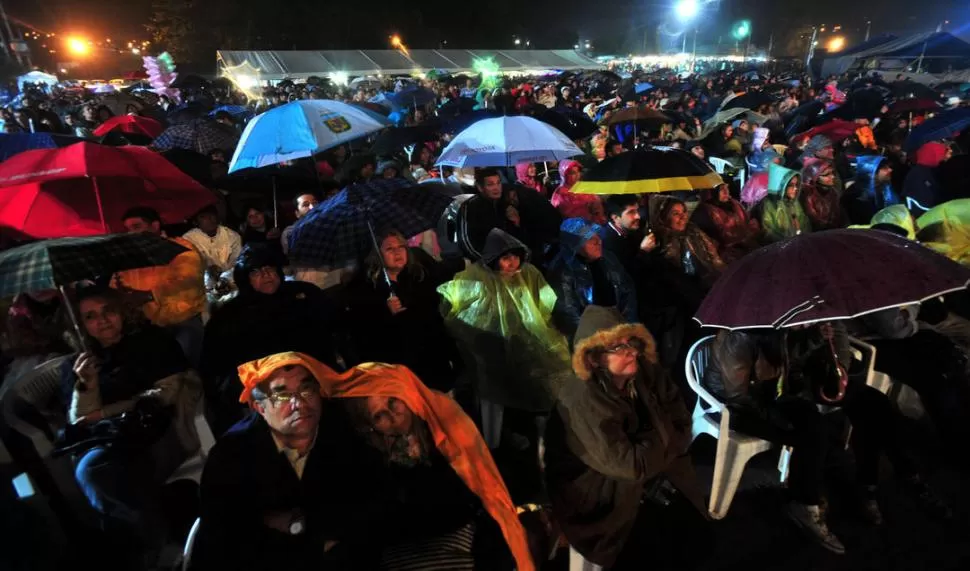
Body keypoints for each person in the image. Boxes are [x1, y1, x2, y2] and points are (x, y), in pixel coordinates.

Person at [215, 352, 535, 571]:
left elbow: (483, 493)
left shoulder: (446, 435)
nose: (391, 417)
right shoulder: (365, 455)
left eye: (395, 402)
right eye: (379, 415)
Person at [544, 306, 709, 570]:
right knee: (651, 549)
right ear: (594, 358)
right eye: (618, 347)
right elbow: (632, 465)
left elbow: (678, 411)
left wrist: (657, 438)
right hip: (596, 492)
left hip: (647, 471)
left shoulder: (643, 371)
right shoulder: (583, 398)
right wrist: (663, 434)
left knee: (695, 531)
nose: (631, 350)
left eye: (630, 341)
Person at [192, 358, 384, 571]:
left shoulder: (345, 432)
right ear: (259, 407)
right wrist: (314, 544)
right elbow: (226, 541)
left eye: (306, 389)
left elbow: (369, 510)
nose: (299, 404)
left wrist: (296, 523)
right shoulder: (230, 454)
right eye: (282, 395)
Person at [61, 287, 201, 569]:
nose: (102, 321)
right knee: (99, 473)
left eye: (108, 311)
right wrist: (86, 386)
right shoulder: (77, 364)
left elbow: (166, 393)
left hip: (159, 431)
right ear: (82, 325)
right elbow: (80, 419)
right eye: (90, 316)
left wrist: (106, 411)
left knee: (99, 474)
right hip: (111, 441)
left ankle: (155, 546)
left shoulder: (152, 342)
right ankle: (159, 545)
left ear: (122, 311)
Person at [439, 229, 572, 452]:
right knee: (494, 396)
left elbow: (544, 302)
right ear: (494, 259)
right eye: (506, 258)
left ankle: (535, 431)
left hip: (523, 345)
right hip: (489, 351)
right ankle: (493, 446)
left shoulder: (527, 273)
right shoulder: (475, 278)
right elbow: (452, 306)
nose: (512, 263)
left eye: (515, 257)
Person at [200, 244, 344, 432]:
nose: (266, 275)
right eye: (256, 272)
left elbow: (336, 326)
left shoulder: (304, 294)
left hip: (315, 377)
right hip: (265, 390)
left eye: (269, 269)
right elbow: (214, 365)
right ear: (245, 278)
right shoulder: (230, 314)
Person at [345, 230, 461, 393]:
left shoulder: (419, 276)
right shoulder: (367, 289)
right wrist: (385, 313)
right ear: (377, 255)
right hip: (399, 370)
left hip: (431, 362)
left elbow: (436, 320)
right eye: (390, 249)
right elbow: (364, 336)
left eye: (401, 247)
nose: (398, 252)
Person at [115, 206, 207, 367]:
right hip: (145, 326)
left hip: (181, 321)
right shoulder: (128, 258)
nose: (131, 233)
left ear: (155, 226)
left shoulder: (181, 248)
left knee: (187, 367)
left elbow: (188, 281)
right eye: (127, 229)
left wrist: (149, 295)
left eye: (136, 227)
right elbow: (118, 286)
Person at [547, 218, 638, 339]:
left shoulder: (608, 258)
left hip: (618, 326)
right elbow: (567, 313)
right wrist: (595, 339)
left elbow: (627, 290)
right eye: (589, 239)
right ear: (574, 245)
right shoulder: (562, 270)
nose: (598, 241)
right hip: (590, 336)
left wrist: (627, 328)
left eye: (598, 236)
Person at [453, 168, 526, 261]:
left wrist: (517, 223)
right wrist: (488, 262)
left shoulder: (505, 205)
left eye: (498, 183)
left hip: (509, 261)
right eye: (490, 184)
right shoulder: (470, 207)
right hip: (483, 263)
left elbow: (515, 239)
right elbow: (467, 243)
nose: (496, 188)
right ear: (480, 187)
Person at [692, 183, 760, 263]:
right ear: (712, 192)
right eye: (721, 189)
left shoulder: (734, 204)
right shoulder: (703, 211)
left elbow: (746, 222)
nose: (726, 192)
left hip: (744, 249)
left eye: (727, 188)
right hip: (722, 256)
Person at [182, 205, 243, 286]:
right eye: (203, 217)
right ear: (196, 222)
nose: (209, 219)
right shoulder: (188, 239)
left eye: (212, 215)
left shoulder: (232, 236)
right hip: (202, 284)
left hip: (231, 282)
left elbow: (237, 263)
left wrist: (225, 277)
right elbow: (188, 266)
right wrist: (207, 269)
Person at [757, 163, 812, 243]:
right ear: (781, 186)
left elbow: (804, 223)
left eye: (796, 185)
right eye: (791, 185)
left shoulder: (794, 203)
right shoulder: (769, 205)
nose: (796, 188)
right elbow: (768, 232)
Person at [844, 155, 901, 225]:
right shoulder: (856, 197)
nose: (890, 170)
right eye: (884, 168)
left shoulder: (884, 187)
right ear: (871, 173)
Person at [903, 141, 949, 215]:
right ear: (934, 155)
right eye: (943, 154)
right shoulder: (918, 174)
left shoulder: (931, 169)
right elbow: (924, 202)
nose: (947, 157)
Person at [799, 159, 845, 231]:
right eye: (826, 175)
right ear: (814, 177)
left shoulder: (833, 192)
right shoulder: (806, 196)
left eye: (833, 173)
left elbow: (840, 216)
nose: (833, 176)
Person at [280, 192, 320, 256]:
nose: (312, 207)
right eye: (306, 205)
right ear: (297, 213)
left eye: (314, 203)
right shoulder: (290, 232)